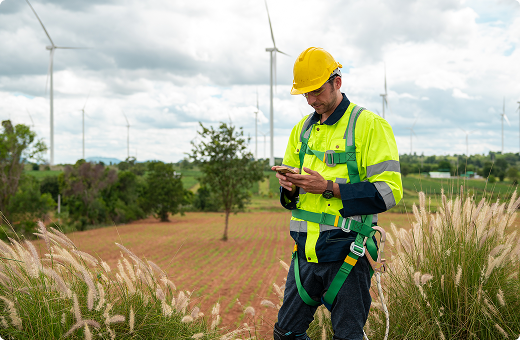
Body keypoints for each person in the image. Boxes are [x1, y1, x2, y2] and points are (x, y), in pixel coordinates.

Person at [271, 47, 403, 340]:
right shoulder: (301, 131)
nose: (311, 100)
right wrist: (288, 188)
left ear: (337, 82)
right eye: (305, 94)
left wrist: (330, 188)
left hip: (349, 251)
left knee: (347, 336)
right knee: (286, 333)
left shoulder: (369, 125)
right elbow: (292, 201)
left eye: (316, 91)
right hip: (305, 252)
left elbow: (389, 192)